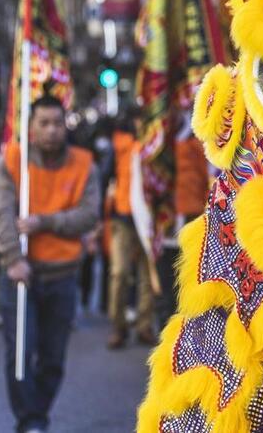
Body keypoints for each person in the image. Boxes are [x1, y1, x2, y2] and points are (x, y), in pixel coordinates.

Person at [0, 96, 100, 433]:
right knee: (20, 353)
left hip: (63, 275)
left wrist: (45, 222)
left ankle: (35, 414)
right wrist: (12, 258)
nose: (52, 130)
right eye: (44, 123)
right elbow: (3, 214)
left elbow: (88, 215)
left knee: (53, 358)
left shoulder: (84, 164)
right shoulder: (12, 160)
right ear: (31, 127)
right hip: (20, 274)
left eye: (57, 123)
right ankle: (31, 420)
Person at [106, 115, 154, 349]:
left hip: (148, 218)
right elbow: (106, 176)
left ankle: (144, 325)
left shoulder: (156, 144)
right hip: (123, 217)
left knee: (147, 275)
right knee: (120, 273)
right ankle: (119, 326)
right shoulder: (119, 147)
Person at [156, 120, 209, 329]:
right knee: (167, 278)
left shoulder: (199, 140)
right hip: (166, 220)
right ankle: (167, 326)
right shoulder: (161, 140)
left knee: (185, 279)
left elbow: (208, 178)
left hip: (192, 219)